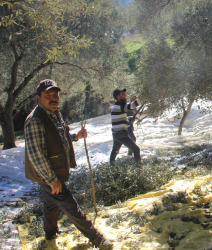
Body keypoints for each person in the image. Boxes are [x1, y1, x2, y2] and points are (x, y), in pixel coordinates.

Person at [24, 79, 113, 249]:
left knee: (51, 205)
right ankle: (97, 239)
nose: (53, 98)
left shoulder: (54, 113)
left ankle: (50, 233)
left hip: (55, 172)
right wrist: (52, 180)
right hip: (48, 175)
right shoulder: (35, 120)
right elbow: (36, 155)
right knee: (71, 207)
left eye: (55, 95)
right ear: (38, 98)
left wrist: (76, 137)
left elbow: (59, 137)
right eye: (47, 95)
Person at [110, 88, 141, 165]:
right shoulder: (121, 106)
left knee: (115, 151)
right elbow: (133, 105)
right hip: (121, 134)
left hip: (116, 134)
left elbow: (119, 118)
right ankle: (139, 169)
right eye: (122, 94)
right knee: (136, 149)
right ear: (117, 96)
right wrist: (143, 98)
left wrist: (129, 120)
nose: (125, 95)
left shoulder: (115, 106)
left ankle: (111, 167)